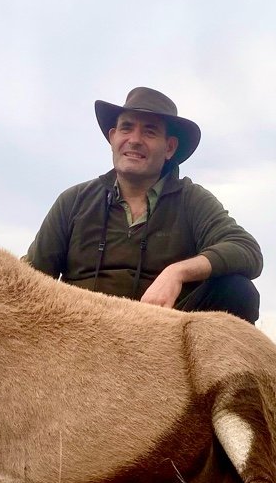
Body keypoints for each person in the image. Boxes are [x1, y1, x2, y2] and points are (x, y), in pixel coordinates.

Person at [25, 87, 263, 322]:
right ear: (112, 137)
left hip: (161, 340)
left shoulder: (192, 200)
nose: (135, 140)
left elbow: (246, 249)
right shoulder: (74, 201)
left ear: (169, 148)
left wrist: (177, 272)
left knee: (238, 291)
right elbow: (28, 276)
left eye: (149, 132)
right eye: (126, 128)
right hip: (81, 335)